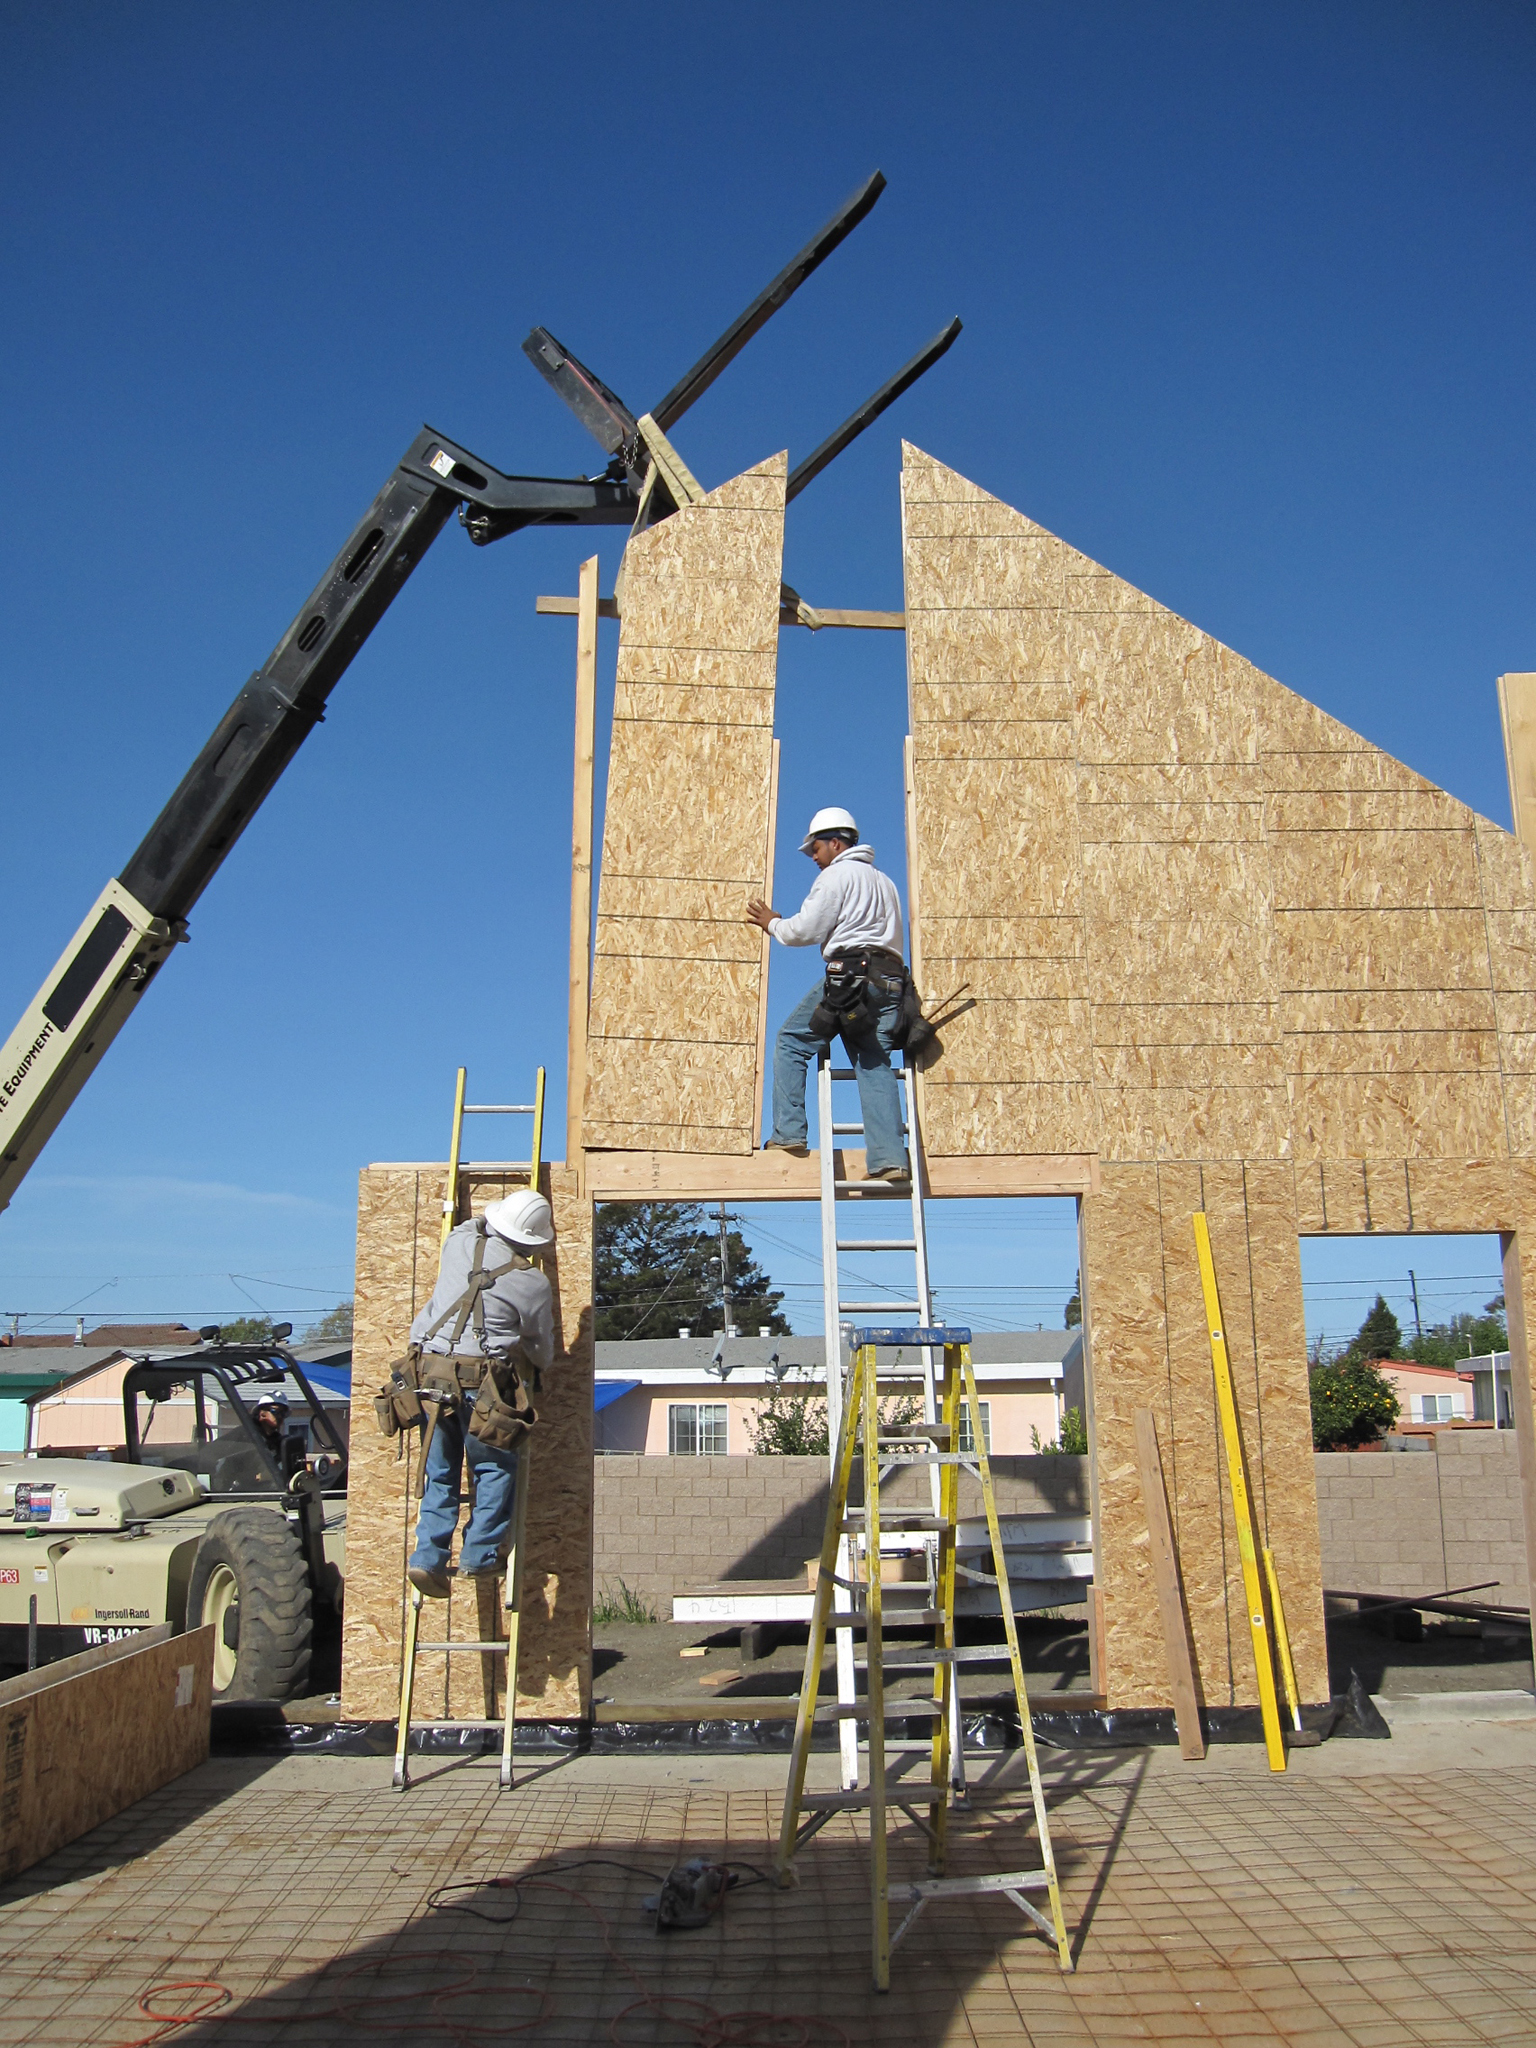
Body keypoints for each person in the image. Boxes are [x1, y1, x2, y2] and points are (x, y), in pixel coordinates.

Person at [746, 805, 910, 1181]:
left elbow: (806, 930)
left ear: (835, 843)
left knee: (790, 1041)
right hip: (891, 980)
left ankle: (789, 1135)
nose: (814, 858)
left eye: (816, 849)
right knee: (874, 1062)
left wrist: (773, 923)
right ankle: (889, 1159)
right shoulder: (884, 882)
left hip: (852, 977)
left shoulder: (837, 876)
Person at [406, 1188, 556, 1598]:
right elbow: (540, 1347)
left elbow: (472, 1225)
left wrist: (489, 1218)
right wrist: (541, 1364)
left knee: (440, 1471)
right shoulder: (533, 1282)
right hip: (483, 1384)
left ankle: (427, 1557)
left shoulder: (459, 1244)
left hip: (430, 1375)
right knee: (493, 1467)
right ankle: (481, 1555)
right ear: (533, 1241)